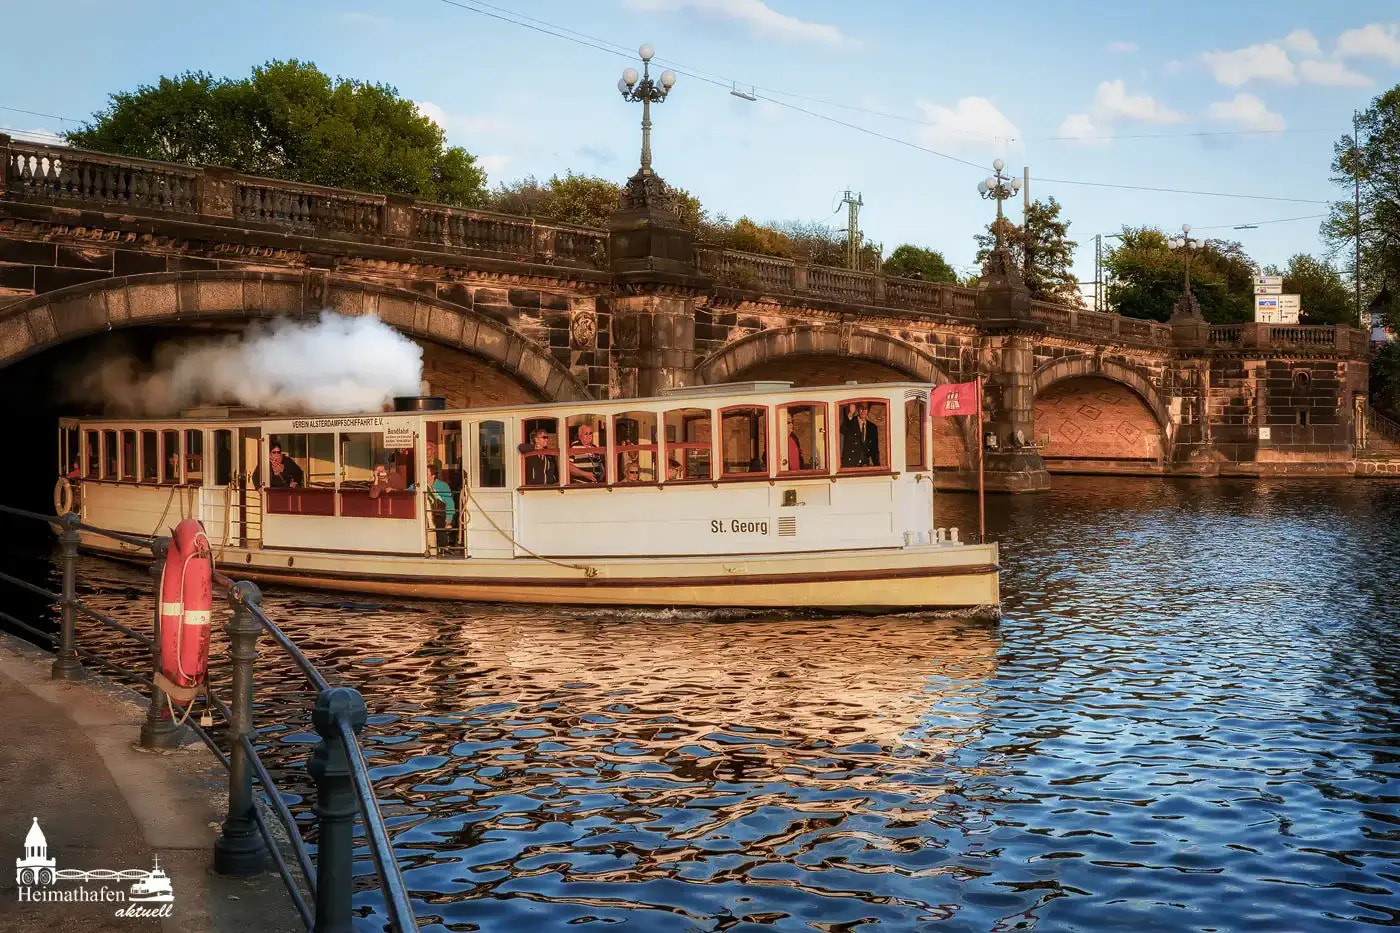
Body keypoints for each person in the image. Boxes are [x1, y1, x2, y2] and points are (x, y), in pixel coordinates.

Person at [425, 464, 456, 551]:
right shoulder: (420, 484)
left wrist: (449, 519)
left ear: (433, 475)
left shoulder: (443, 486)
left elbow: (450, 504)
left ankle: (443, 547)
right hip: (428, 513)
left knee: (439, 521)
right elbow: (409, 490)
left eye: (426, 473)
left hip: (442, 513)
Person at [840, 403, 881, 468]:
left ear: (868, 410)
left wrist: (878, 467)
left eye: (866, 408)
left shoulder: (872, 427)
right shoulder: (850, 422)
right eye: (861, 408)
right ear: (858, 409)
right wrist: (850, 414)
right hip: (849, 465)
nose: (863, 411)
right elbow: (842, 430)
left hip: (864, 465)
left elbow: (874, 450)